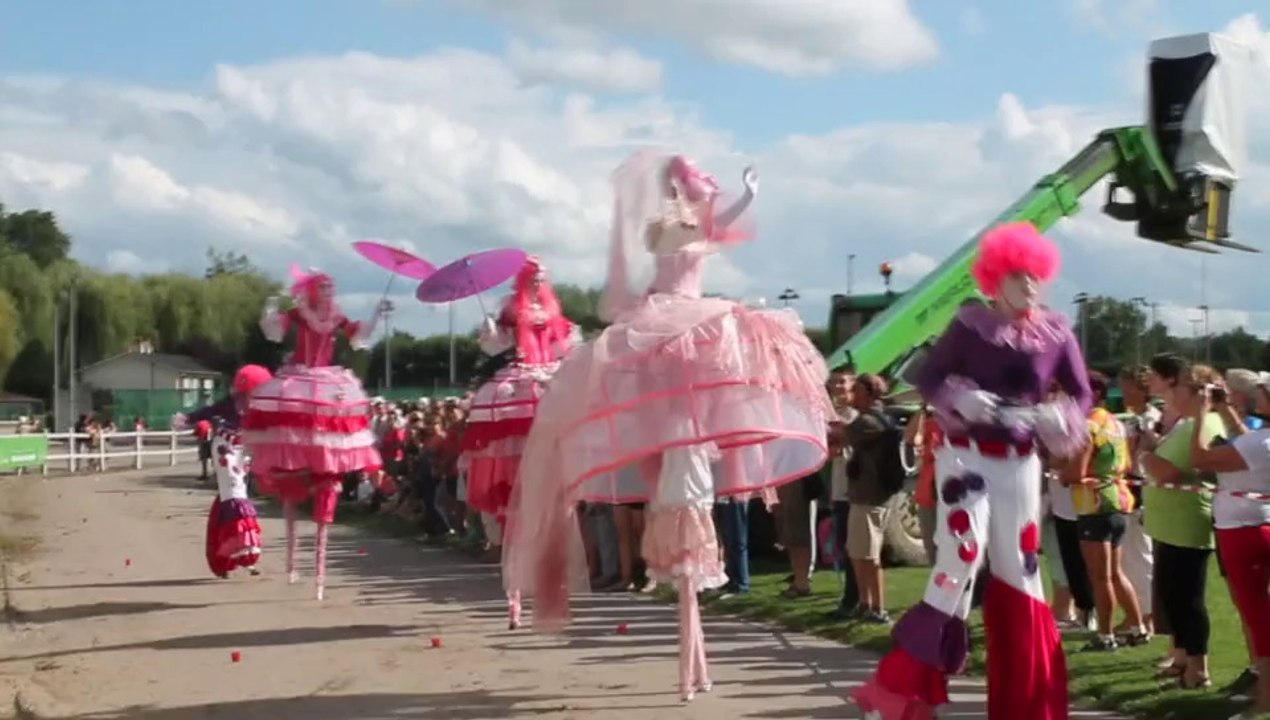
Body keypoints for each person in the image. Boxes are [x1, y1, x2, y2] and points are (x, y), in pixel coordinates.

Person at [503, 152, 833, 702]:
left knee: (709, 405)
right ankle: (692, 662)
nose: (697, 195)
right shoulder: (669, 228)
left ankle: (695, 662)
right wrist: (702, 206)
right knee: (676, 432)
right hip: (668, 323)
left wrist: (746, 196)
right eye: (689, 187)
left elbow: (717, 228)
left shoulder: (696, 227)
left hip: (690, 326)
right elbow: (683, 238)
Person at [852, 221, 1092, 720]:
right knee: (959, 559)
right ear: (995, 279)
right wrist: (962, 398)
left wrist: (1058, 415)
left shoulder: (1056, 333)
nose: (1029, 286)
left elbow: (1082, 392)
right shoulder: (969, 326)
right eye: (1018, 277)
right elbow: (928, 375)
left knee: (1022, 573)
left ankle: (1026, 704)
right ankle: (902, 694)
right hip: (966, 456)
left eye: (1034, 278)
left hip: (1021, 462)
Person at [246, 265, 386, 600]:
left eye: (330, 286)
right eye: (322, 286)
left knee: (329, 443)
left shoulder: (336, 318)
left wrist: (377, 315)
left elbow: (358, 335)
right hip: (301, 380)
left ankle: (320, 569)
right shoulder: (298, 314)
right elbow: (274, 332)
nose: (328, 291)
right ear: (311, 290)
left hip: (328, 382)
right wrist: (269, 309)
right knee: (294, 445)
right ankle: (293, 559)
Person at [463, 255, 578, 628]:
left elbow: (565, 349)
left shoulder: (554, 313)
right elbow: (496, 347)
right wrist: (489, 332)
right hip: (520, 385)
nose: (538, 281)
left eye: (543, 276)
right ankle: (513, 597)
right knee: (512, 507)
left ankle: (548, 588)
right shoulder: (511, 310)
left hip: (547, 381)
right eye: (534, 275)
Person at [1139, 360, 1224, 689]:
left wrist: (1145, 454)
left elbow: (1168, 470)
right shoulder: (1187, 424)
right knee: (1174, 597)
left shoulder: (1199, 426)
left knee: (1188, 599)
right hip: (1170, 523)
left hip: (1185, 523)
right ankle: (1183, 659)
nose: (1173, 394)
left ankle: (1198, 668)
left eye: (1179, 389)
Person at [1190, 369, 1270, 715]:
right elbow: (1243, 441)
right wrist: (1223, 409)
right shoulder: (1256, 440)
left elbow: (1199, 458)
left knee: (1258, 615)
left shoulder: (1257, 441)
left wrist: (1199, 418)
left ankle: (1265, 699)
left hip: (1241, 529)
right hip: (1261, 521)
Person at [1062, 370, 1147, 651]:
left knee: (1099, 576)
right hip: (1118, 500)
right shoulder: (1115, 423)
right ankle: (1138, 627)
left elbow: (1076, 472)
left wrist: (1063, 471)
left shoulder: (1088, 425)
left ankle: (1105, 635)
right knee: (1115, 573)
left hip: (1094, 503)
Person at [177, 365, 273, 579]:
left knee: (232, 496)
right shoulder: (232, 403)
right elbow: (209, 411)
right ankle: (245, 552)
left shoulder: (260, 408)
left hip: (241, 450)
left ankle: (227, 557)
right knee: (234, 493)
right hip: (225, 448)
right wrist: (188, 418)